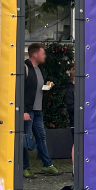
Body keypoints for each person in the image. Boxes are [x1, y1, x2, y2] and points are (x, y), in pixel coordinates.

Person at [23, 43, 59, 178]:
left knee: (41, 137)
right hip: (29, 110)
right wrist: (23, 111)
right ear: (35, 54)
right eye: (43, 53)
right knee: (26, 138)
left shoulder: (40, 69)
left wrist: (47, 88)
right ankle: (25, 167)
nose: (45, 56)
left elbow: (35, 89)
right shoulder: (25, 68)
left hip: (38, 110)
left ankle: (47, 165)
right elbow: (20, 91)